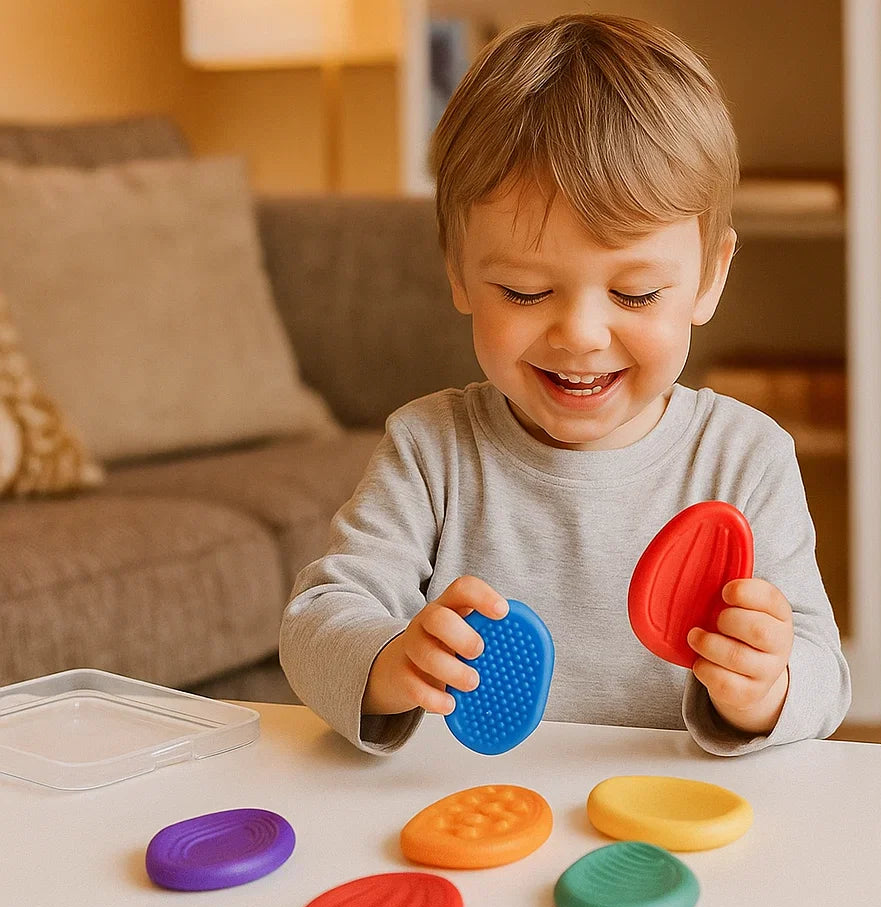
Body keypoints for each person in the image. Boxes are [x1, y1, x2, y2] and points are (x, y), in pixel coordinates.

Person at [279, 13, 851, 757]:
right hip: (476, 812)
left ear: (709, 279)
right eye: (522, 291)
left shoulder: (744, 457)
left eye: (636, 295)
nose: (579, 335)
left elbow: (825, 675)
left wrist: (766, 688)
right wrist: (389, 662)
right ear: (458, 272)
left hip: (668, 821)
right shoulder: (430, 451)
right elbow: (320, 617)